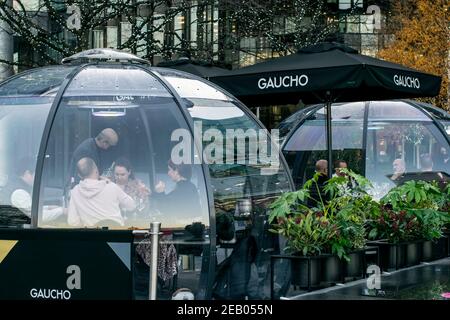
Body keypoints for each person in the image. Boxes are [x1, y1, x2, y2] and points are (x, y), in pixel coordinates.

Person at [68, 157, 136, 227]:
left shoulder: (75, 192)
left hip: (94, 235)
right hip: (116, 234)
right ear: (96, 169)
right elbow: (131, 206)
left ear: (79, 175)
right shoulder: (111, 186)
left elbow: (72, 221)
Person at [9, 158, 64, 223]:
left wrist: (49, 207)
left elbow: (30, 208)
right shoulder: (19, 193)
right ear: (28, 173)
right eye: (36, 174)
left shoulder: (18, 187)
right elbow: (37, 217)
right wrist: (62, 211)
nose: (38, 178)